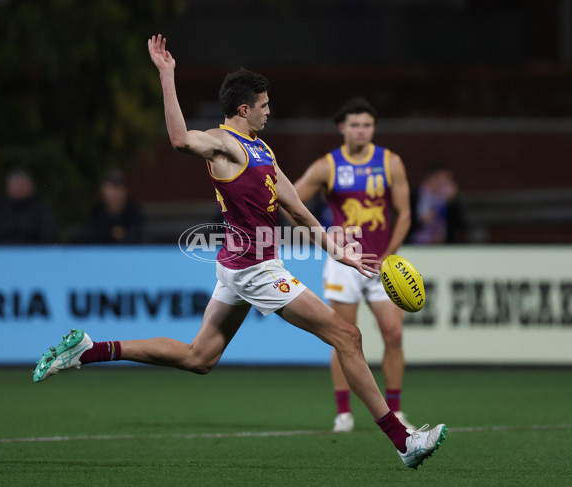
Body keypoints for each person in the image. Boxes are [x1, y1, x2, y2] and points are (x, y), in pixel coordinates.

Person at [33, 35, 446, 469]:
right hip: (255, 268)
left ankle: (89, 349)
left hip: (241, 264)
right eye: (264, 104)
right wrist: (167, 75)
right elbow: (178, 139)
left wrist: (336, 249)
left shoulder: (262, 149)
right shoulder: (224, 143)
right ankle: (404, 442)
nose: (270, 110)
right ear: (245, 109)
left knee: (199, 358)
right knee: (348, 335)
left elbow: (297, 209)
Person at [291, 97, 413, 433]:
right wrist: (324, 237)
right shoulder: (327, 166)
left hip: (381, 265)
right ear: (342, 128)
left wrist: (390, 254)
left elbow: (404, 213)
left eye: (368, 125)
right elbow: (291, 200)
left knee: (394, 334)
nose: (362, 130)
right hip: (345, 264)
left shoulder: (390, 162)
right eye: (355, 124)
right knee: (344, 338)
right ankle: (344, 412)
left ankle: (397, 409)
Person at [0, 168, 57, 244]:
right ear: (7, 187)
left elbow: (49, 236)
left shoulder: (41, 210)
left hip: (32, 254)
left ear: (31, 186)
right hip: (0, 254)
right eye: (15, 184)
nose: (19, 188)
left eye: (22, 184)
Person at [75, 168, 145, 244]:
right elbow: (88, 238)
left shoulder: (134, 212)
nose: (114, 193)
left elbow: (138, 238)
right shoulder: (96, 212)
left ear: (125, 190)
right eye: (110, 188)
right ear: (102, 190)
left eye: (118, 188)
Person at [407, 164, 466, 244]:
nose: (449, 183)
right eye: (445, 180)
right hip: (415, 245)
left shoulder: (449, 201)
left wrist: (450, 203)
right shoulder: (414, 197)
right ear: (433, 179)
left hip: (443, 246)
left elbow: (460, 226)